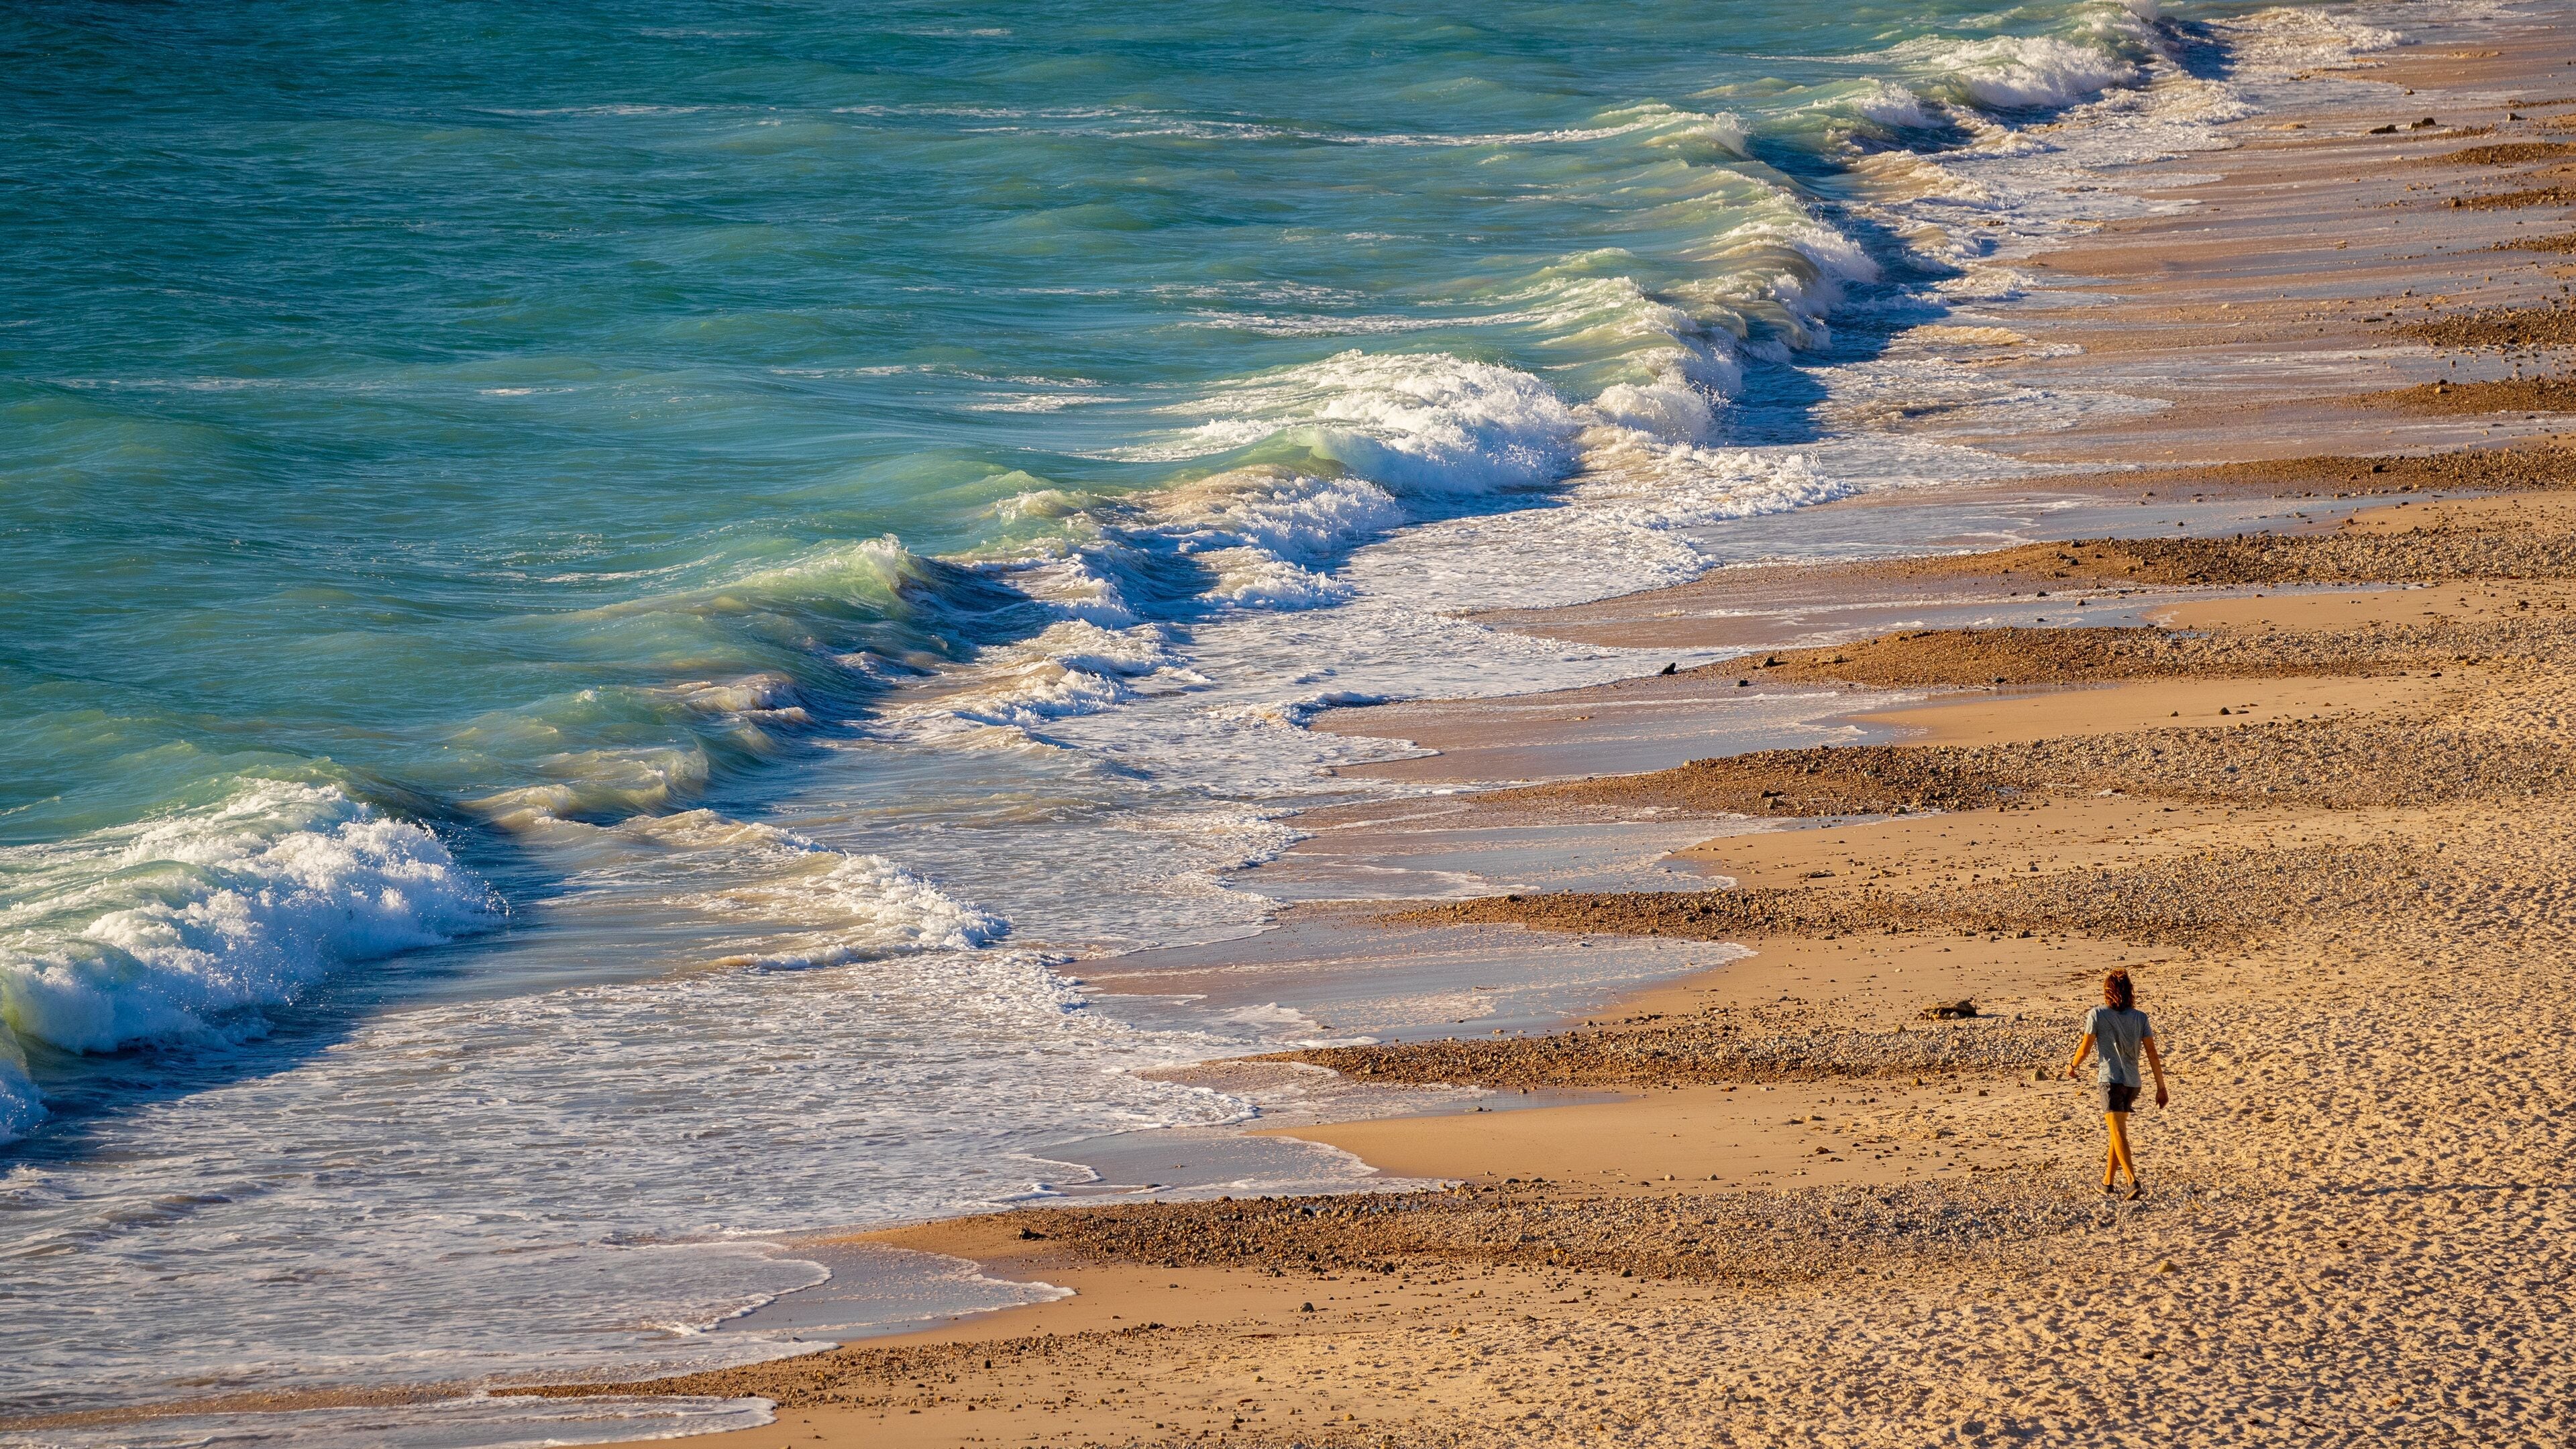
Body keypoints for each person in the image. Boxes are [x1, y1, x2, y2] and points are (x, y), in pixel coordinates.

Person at [2066, 967, 2166, 1199]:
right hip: (2133, 1083)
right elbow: (2152, 1054)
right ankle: (2107, 1182)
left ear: (2108, 991)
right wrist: (2161, 1087)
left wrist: (2072, 1066)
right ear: (2129, 991)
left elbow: (2085, 1048)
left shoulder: (2097, 1015)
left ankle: (2132, 1182)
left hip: (2111, 1081)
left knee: (2119, 1132)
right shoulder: (2141, 1018)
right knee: (2116, 1132)